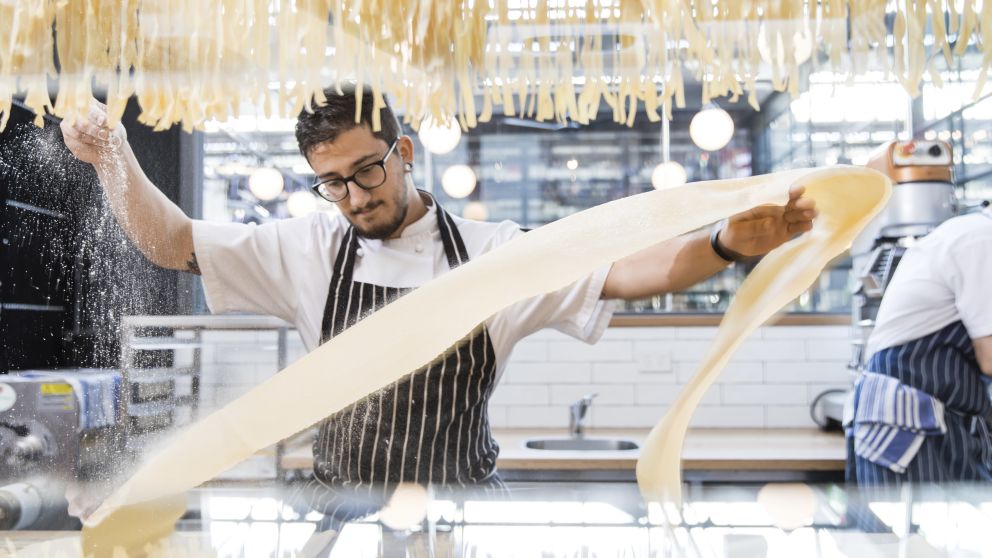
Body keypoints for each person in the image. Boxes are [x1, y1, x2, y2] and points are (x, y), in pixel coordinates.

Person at [61, 87, 816, 515]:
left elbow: (626, 268)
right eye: (333, 183)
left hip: (462, 509)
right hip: (340, 509)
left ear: (405, 153)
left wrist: (722, 245)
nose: (354, 197)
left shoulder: (494, 255)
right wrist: (112, 156)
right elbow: (174, 242)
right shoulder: (306, 249)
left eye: (368, 172)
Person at [848, 206, 992, 486]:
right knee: (920, 527)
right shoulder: (981, 240)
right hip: (911, 430)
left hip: (926, 423)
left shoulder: (969, 233)